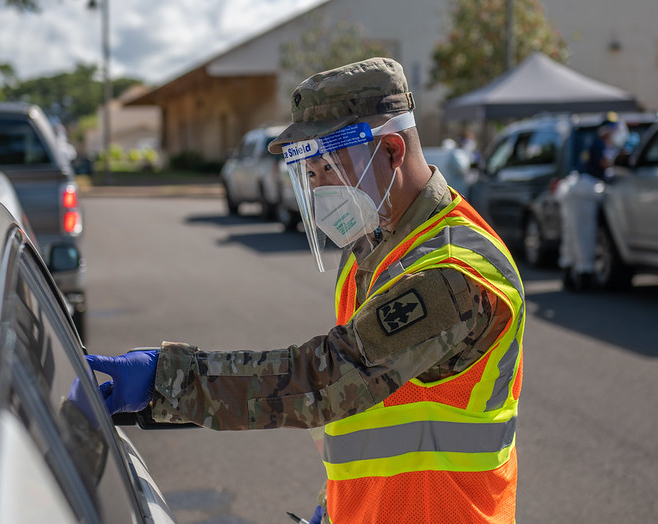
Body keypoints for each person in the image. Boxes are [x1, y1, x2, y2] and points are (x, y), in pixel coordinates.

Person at [85, 57, 525, 523]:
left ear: (392, 151)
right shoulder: (373, 247)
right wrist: (332, 505)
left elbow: (327, 379)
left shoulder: (453, 270)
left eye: (330, 167)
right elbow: (369, 412)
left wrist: (171, 380)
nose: (319, 190)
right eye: (309, 173)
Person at [556, 115, 626, 290]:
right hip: (584, 192)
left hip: (577, 189)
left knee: (572, 233)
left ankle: (570, 273)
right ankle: (584, 276)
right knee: (584, 233)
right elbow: (606, 164)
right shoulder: (601, 145)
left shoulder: (596, 143)